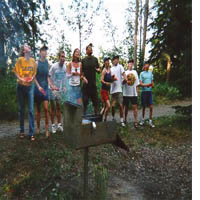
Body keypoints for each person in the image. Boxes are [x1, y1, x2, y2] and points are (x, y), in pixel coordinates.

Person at [13, 44, 37, 141]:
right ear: (24, 50)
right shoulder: (20, 60)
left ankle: (31, 133)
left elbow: (34, 72)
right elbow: (15, 72)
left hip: (30, 87)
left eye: (29, 46)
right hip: (21, 87)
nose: (28, 47)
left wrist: (32, 77)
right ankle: (22, 131)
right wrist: (21, 78)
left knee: (31, 110)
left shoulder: (33, 61)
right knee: (21, 109)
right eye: (26, 46)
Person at [34, 46, 53, 137]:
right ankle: (38, 128)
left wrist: (51, 85)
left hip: (45, 88)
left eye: (45, 51)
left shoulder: (48, 64)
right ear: (40, 52)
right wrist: (38, 87)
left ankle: (46, 129)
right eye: (43, 51)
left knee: (46, 109)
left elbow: (48, 77)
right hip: (37, 89)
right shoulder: (36, 63)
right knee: (38, 109)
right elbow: (33, 77)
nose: (44, 53)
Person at [49, 50, 66, 133]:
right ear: (59, 57)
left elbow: (64, 79)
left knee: (59, 107)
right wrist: (52, 86)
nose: (63, 58)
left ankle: (59, 125)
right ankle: (53, 126)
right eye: (62, 56)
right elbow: (48, 77)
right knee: (53, 108)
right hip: (52, 89)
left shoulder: (65, 67)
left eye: (64, 56)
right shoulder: (54, 66)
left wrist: (64, 86)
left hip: (59, 90)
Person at [81, 43, 100, 115]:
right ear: (86, 51)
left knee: (96, 102)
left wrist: (98, 70)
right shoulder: (83, 60)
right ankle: (84, 117)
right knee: (85, 102)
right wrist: (83, 77)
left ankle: (97, 117)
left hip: (93, 85)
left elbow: (98, 69)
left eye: (91, 49)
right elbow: (81, 72)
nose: (91, 50)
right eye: (89, 49)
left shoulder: (95, 59)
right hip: (86, 85)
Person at [110, 55, 127, 127]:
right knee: (113, 106)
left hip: (119, 90)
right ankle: (113, 118)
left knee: (120, 105)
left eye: (117, 59)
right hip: (113, 90)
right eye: (115, 59)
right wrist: (112, 79)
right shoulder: (111, 69)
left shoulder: (120, 67)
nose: (117, 60)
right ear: (113, 60)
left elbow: (124, 74)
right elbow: (109, 79)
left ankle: (121, 120)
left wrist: (125, 79)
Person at [123, 59, 139, 128]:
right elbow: (122, 83)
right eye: (129, 63)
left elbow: (137, 84)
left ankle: (135, 121)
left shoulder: (135, 72)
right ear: (128, 64)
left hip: (133, 93)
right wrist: (125, 80)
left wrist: (137, 93)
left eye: (132, 63)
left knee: (135, 107)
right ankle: (124, 120)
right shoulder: (125, 72)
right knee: (125, 107)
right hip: (126, 93)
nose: (130, 65)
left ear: (133, 64)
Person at [139, 62, 155, 128]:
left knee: (151, 107)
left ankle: (150, 121)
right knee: (144, 107)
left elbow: (152, 82)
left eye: (148, 65)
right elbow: (140, 84)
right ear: (144, 66)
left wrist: (152, 85)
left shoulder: (151, 73)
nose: (147, 66)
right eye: (146, 65)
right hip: (144, 92)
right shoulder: (141, 73)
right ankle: (142, 120)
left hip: (149, 92)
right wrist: (147, 85)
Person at [100, 57, 112, 121]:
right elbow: (101, 80)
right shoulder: (104, 70)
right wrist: (106, 83)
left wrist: (113, 79)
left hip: (107, 91)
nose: (108, 62)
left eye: (108, 61)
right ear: (104, 62)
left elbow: (111, 79)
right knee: (108, 106)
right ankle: (104, 119)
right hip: (103, 90)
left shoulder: (110, 70)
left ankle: (100, 118)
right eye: (106, 61)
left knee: (104, 107)